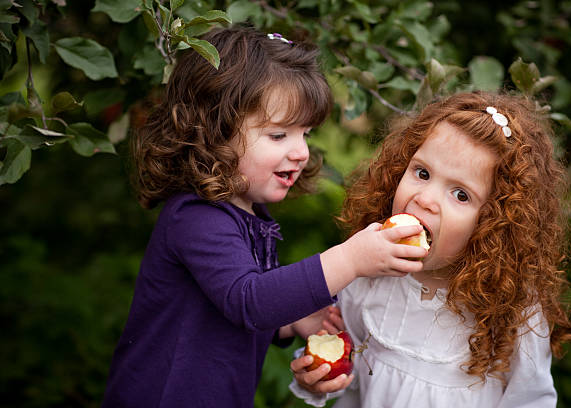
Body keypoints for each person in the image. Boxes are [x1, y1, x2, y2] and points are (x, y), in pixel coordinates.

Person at [101, 26, 426, 408]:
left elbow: (230, 306)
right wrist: (351, 259)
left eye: (305, 133)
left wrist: (291, 322)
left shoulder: (248, 214)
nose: (302, 151)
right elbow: (249, 300)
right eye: (278, 136)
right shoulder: (196, 217)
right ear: (212, 132)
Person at [289, 91, 571, 407]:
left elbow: (531, 400)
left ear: (495, 225)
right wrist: (321, 380)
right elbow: (353, 366)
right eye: (422, 173)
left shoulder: (511, 313)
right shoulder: (368, 275)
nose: (425, 199)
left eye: (461, 195)